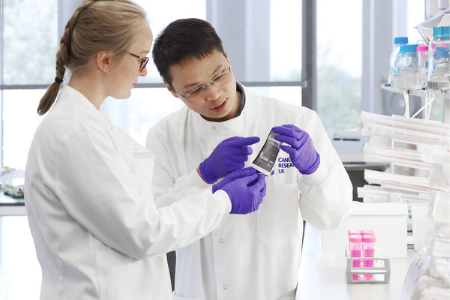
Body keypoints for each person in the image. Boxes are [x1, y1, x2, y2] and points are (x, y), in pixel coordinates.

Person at [24, 2, 266, 299]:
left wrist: (202, 178)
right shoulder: (74, 134)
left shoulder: (90, 126)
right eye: (140, 59)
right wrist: (223, 201)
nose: (143, 71)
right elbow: (144, 234)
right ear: (105, 60)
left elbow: (143, 210)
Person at [147, 18, 353, 300]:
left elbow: (333, 218)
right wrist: (202, 175)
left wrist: (314, 169)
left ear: (228, 59)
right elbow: (153, 223)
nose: (214, 93)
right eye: (195, 90)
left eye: (219, 75)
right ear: (172, 90)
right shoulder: (165, 136)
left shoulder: (297, 120)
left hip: (276, 294)